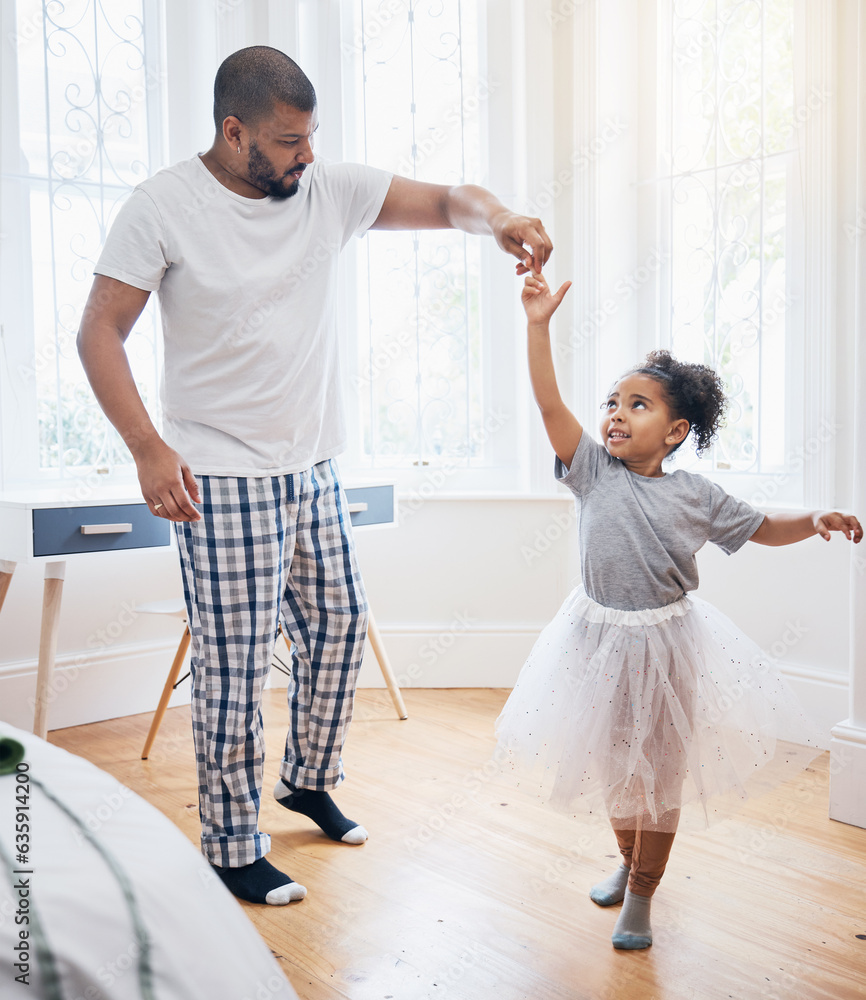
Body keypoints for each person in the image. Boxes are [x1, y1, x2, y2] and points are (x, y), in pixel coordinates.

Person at [77, 45, 552, 907]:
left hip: (315, 465)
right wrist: (148, 445)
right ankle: (229, 843)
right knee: (233, 667)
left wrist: (503, 216)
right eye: (290, 141)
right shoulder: (163, 207)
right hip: (219, 478)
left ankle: (306, 779)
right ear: (234, 133)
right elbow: (99, 332)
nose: (307, 156)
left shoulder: (324, 188)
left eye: (312, 138)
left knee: (338, 628)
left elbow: (448, 200)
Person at [495, 273, 862, 950]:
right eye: (612, 401)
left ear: (675, 431)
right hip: (595, 636)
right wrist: (538, 326)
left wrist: (812, 518)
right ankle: (628, 860)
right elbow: (549, 405)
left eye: (637, 405)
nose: (615, 413)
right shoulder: (590, 471)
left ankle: (643, 894)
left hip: (665, 643)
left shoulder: (696, 495)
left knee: (658, 769)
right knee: (613, 762)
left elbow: (761, 526)